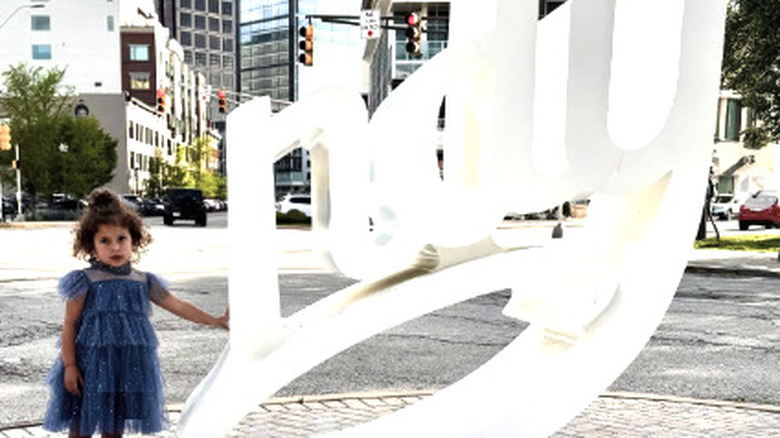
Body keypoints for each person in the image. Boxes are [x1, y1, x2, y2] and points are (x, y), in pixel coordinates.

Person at [42, 188, 229, 438]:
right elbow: (70, 325)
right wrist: (70, 365)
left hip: (126, 368)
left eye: (122, 239)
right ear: (91, 245)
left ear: (134, 240)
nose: (115, 247)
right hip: (89, 367)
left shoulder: (143, 281)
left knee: (115, 427)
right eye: (105, 241)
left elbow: (178, 305)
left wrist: (215, 321)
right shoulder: (84, 281)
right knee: (81, 427)